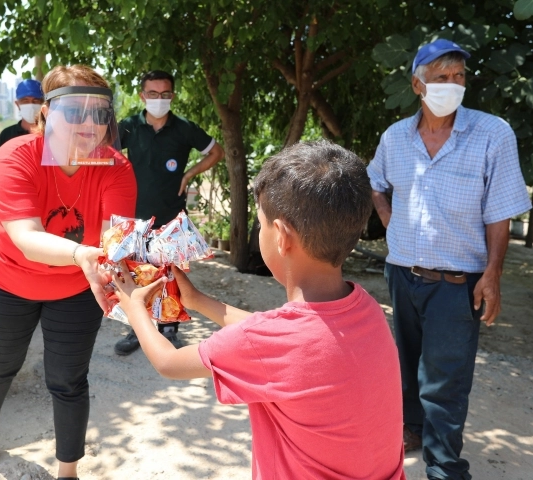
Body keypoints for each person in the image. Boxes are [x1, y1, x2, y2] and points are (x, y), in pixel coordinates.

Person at [112, 140, 406, 479]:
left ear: (281, 236)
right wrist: (197, 300)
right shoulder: (365, 307)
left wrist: (134, 307)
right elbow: (277, 339)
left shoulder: (273, 341)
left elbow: (169, 362)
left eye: (262, 222)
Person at [366, 39, 532, 480]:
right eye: (442, 78)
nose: (452, 85)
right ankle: (413, 429)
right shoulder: (395, 137)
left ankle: (444, 467)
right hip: (403, 272)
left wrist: (493, 275)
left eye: (459, 77)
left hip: (458, 281)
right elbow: (374, 180)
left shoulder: (492, 134)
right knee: (406, 360)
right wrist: (388, 218)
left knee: (446, 377)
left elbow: (500, 213)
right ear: (418, 85)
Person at [0, 65, 137, 479]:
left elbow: (113, 239)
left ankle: (68, 470)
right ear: (46, 113)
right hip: (8, 280)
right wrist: (82, 255)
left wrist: (132, 264)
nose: (90, 124)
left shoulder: (116, 168)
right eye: (75, 111)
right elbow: (25, 236)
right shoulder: (14, 157)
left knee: (69, 379)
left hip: (77, 288)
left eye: (100, 113)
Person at [113, 70, 225, 355]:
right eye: (152, 94)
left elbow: (216, 152)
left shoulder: (184, 128)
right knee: (138, 272)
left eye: (164, 94)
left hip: (172, 214)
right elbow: (106, 153)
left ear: (172, 96)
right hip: (136, 215)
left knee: (171, 272)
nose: (158, 99)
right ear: (142, 96)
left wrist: (188, 175)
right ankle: (138, 329)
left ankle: (170, 328)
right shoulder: (128, 127)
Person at [0, 78, 45, 227]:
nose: (31, 104)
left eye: (36, 100)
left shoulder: (51, 135)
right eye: (25, 100)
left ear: (44, 104)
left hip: (46, 202)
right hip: (15, 204)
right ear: (17, 104)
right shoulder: (7, 135)